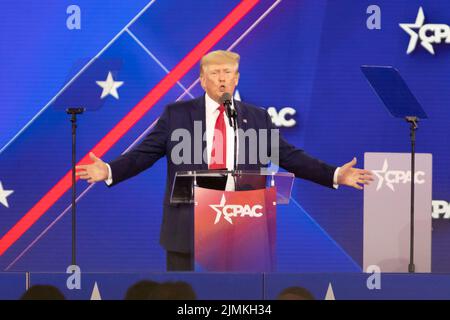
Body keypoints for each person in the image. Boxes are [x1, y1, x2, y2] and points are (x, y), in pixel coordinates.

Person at [76, 50, 373, 271]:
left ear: (237, 78)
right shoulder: (177, 115)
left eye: (229, 73)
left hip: (241, 224)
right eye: (216, 73)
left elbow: (289, 156)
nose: (223, 79)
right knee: (184, 296)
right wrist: (109, 169)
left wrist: (335, 174)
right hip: (187, 223)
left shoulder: (256, 117)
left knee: (238, 296)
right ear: (202, 79)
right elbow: (144, 154)